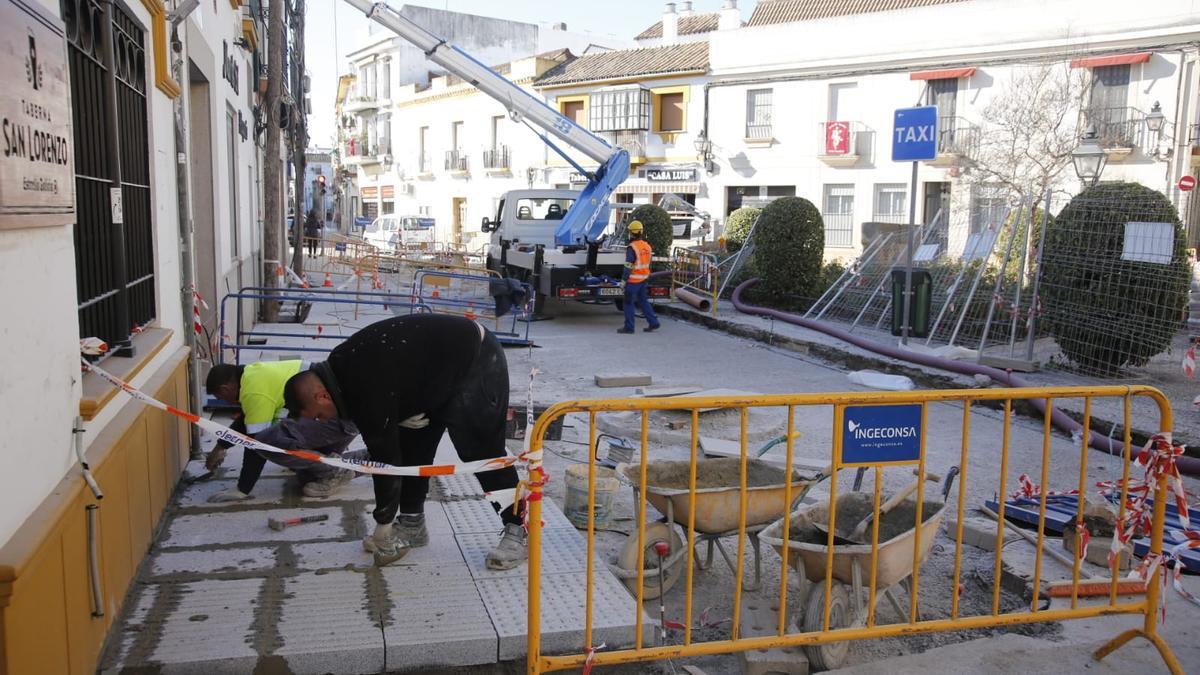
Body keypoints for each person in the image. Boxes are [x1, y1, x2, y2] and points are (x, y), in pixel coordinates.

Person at [282, 314, 525, 569]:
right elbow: (399, 375)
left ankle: (518, 529)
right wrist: (408, 406)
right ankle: (412, 525)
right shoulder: (341, 370)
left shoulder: (360, 385)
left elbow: (385, 463)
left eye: (318, 415)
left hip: (476, 358)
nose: (322, 421)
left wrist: (382, 527)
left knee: (481, 451)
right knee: (413, 444)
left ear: (322, 395)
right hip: (441, 370)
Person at [205, 362, 358, 501]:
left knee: (273, 444)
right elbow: (247, 421)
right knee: (305, 472)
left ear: (225, 389)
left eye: (221, 397)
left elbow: (256, 445)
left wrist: (242, 489)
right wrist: (221, 446)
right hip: (342, 413)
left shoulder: (254, 392)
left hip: (335, 417)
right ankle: (371, 458)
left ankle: (337, 470)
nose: (225, 402)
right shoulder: (252, 374)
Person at [617, 220, 661, 334]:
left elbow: (628, 266)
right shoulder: (647, 246)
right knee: (643, 301)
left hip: (633, 280)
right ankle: (653, 322)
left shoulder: (632, 247)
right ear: (641, 232)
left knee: (628, 303)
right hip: (643, 279)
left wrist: (623, 280)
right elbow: (648, 263)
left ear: (631, 233)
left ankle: (629, 327)